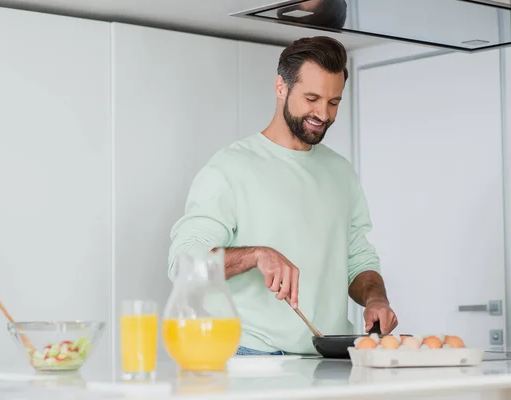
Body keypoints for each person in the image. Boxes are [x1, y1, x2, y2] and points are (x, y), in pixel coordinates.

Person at [167, 36, 398, 356]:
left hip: (329, 357)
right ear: (280, 88)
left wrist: (376, 299)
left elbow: (359, 261)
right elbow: (183, 265)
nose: (323, 113)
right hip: (250, 357)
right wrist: (256, 255)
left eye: (334, 102)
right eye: (312, 98)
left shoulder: (341, 173)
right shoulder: (230, 168)